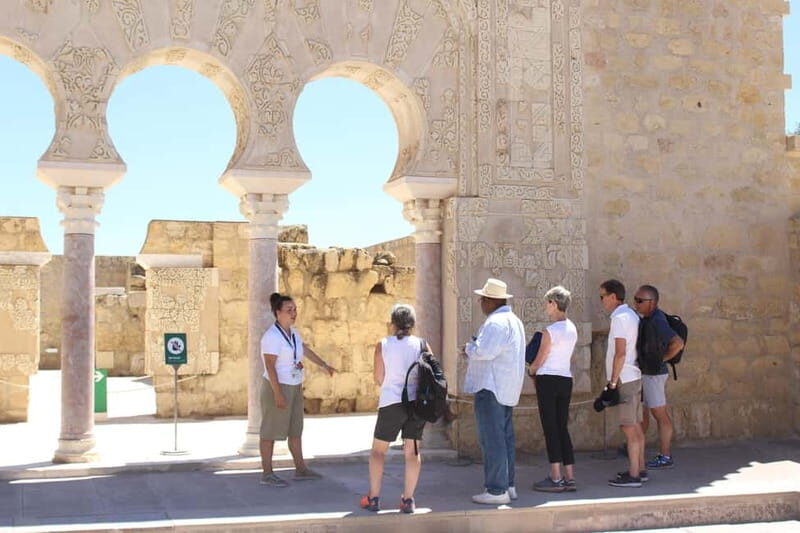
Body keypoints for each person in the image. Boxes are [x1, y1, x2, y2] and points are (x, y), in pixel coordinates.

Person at [259, 292, 336, 487]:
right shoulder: (272, 336)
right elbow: (270, 366)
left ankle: (300, 469)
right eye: (289, 310)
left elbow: (304, 350)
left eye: (295, 309)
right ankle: (267, 473)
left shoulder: (293, 333)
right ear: (278, 313)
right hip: (277, 387)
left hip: (294, 385)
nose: (294, 313)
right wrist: (277, 393)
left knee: (295, 430)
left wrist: (324, 365)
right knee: (270, 431)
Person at [462, 278, 526, 505]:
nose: (480, 302)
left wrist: (469, 348)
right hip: (505, 388)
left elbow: (484, 351)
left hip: (491, 387)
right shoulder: (514, 321)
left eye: (482, 298)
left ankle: (497, 490)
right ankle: (508, 485)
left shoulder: (496, 322)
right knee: (504, 438)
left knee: (492, 439)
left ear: (490, 300)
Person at [360, 304, 428, 514]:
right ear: (412, 324)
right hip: (416, 404)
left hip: (391, 402)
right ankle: (408, 500)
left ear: (392, 323)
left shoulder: (383, 345)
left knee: (378, 451)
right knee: (412, 451)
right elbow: (431, 372)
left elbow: (378, 377)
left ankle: (374, 497)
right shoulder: (422, 345)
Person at [528, 286, 578, 493]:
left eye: (548, 302)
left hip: (548, 379)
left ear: (554, 303)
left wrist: (531, 369)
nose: (546, 306)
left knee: (550, 428)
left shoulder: (550, 331)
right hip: (565, 378)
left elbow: (541, 357)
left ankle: (555, 476)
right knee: (562, 427)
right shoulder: (572, 328)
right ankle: (570, 476)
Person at [599, 279, 645, 488]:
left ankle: (634, 474)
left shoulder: (619, 318)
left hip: (624, 377)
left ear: (612, 296)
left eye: (602, 297)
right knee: (635, 426)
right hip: (634, 375)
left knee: (628, 427)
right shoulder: (632, 315)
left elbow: (620, 352)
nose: (601, 302)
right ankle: (640, 469)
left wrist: (612, 382)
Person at [633, 284, 684, 470]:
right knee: (644, 413)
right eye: (635, 300)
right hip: (647, 373)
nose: (636, 304)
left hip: (655, 375)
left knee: (660, 414)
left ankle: (665, 455)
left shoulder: (657, 320)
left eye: (640, 300)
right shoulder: (648, 319)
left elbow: (678, 343)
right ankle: (636, 446)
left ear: (652, 302)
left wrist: (661, 360)